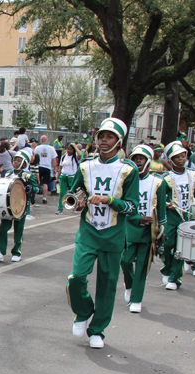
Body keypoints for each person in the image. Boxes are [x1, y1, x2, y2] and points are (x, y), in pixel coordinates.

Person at [66, 118, 139, 349]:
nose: (103, 140)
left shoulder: (129, 170)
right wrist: (77, 202)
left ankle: (98, 330)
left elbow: (133, 206)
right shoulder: (86, 166)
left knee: (107, 285)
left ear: (119, 141)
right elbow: (74, 192)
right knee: (76, 277)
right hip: (88, 230)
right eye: (101, 136)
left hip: (114, 234)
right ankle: (83, 311)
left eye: (109, 136)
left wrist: (110, 200)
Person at [121, 145, 168, 314]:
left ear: (148, 161)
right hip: (128, 228)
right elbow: (122, 207)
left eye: (141, 158)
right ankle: (129, 284)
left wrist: (162, 233)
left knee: (142, 267)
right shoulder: (125, 179)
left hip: (149, 231)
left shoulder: (158, 182)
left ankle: (136, 299)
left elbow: (162, 211)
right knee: (125, 261)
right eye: (135, 158)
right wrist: (136, 218)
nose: (138, 161)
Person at [160, 141, 195, 290]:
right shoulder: (166, 178)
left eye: (183, 156)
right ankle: (167, 268)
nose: (181, 159)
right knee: (167, 245)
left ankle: (175, 278)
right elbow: (160, 197)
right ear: (171, 160)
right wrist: (166, 204)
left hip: (186, 215)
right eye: (177, 157)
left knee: (180, 248)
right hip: (171, 216)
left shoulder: (193, 175)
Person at [0, 151, 38, 263]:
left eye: (18, 161)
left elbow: (36, 188)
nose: (15, 162)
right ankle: (0, 251)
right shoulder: (8, 173)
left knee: (19, 230)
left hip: (21, 206)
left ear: (23, 163)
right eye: (14, 160)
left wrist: (30, 188)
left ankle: (17, 252)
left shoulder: (28, 175)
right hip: (8, 206)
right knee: (3, 228)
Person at [56, 142, 80, 214]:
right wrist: (57, 178)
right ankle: (60, 208)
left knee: (73, 192)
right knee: (62, 193)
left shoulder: (75, 157)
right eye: (68, 149)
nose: (69, 151)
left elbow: (80, 154)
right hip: (63, 176)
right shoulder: (63, 157)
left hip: (72, 177)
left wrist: (75, 146)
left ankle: (75, 207)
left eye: (71, 149)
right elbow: (60, 168)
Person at [34, 135, 58, 205]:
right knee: (45, 183)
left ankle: (34, 197)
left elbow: (34, 157)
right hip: (47, 167)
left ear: (41, 140)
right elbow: (54, 159)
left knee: (36, 182)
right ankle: (44, 198)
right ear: (46, 140)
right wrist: (54, 168)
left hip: (39, 166)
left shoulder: (37, 148)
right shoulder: (51, 148)